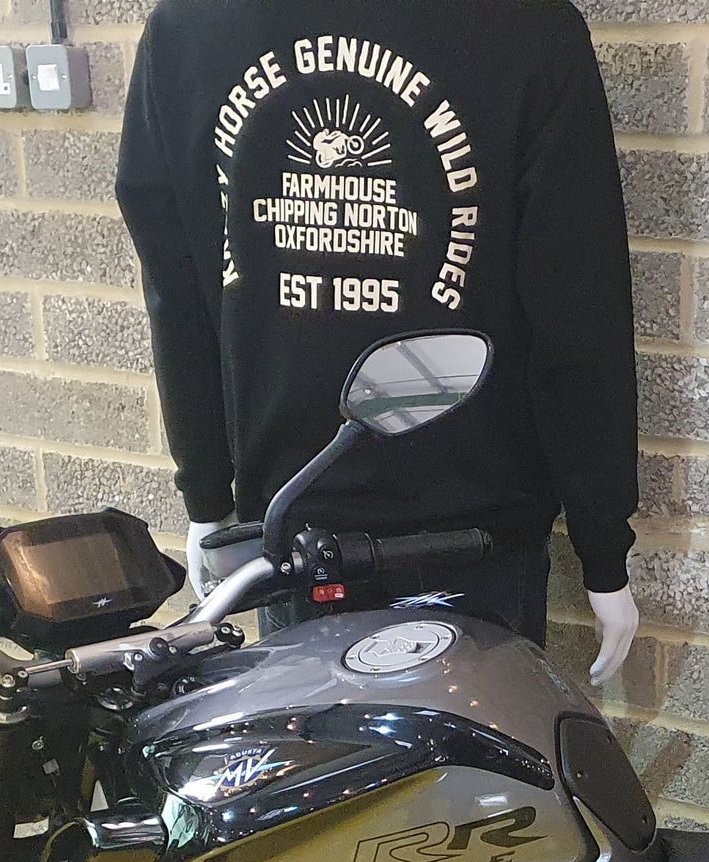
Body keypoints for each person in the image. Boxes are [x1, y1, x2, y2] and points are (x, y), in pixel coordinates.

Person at [116, 0, 640, 680]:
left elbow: (178, 295)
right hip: (434, 533)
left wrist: (209, 499)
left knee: (322, 776)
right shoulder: (528, 27)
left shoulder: (189, 28)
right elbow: (577, 309)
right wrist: (603, 547)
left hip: (336, 527)